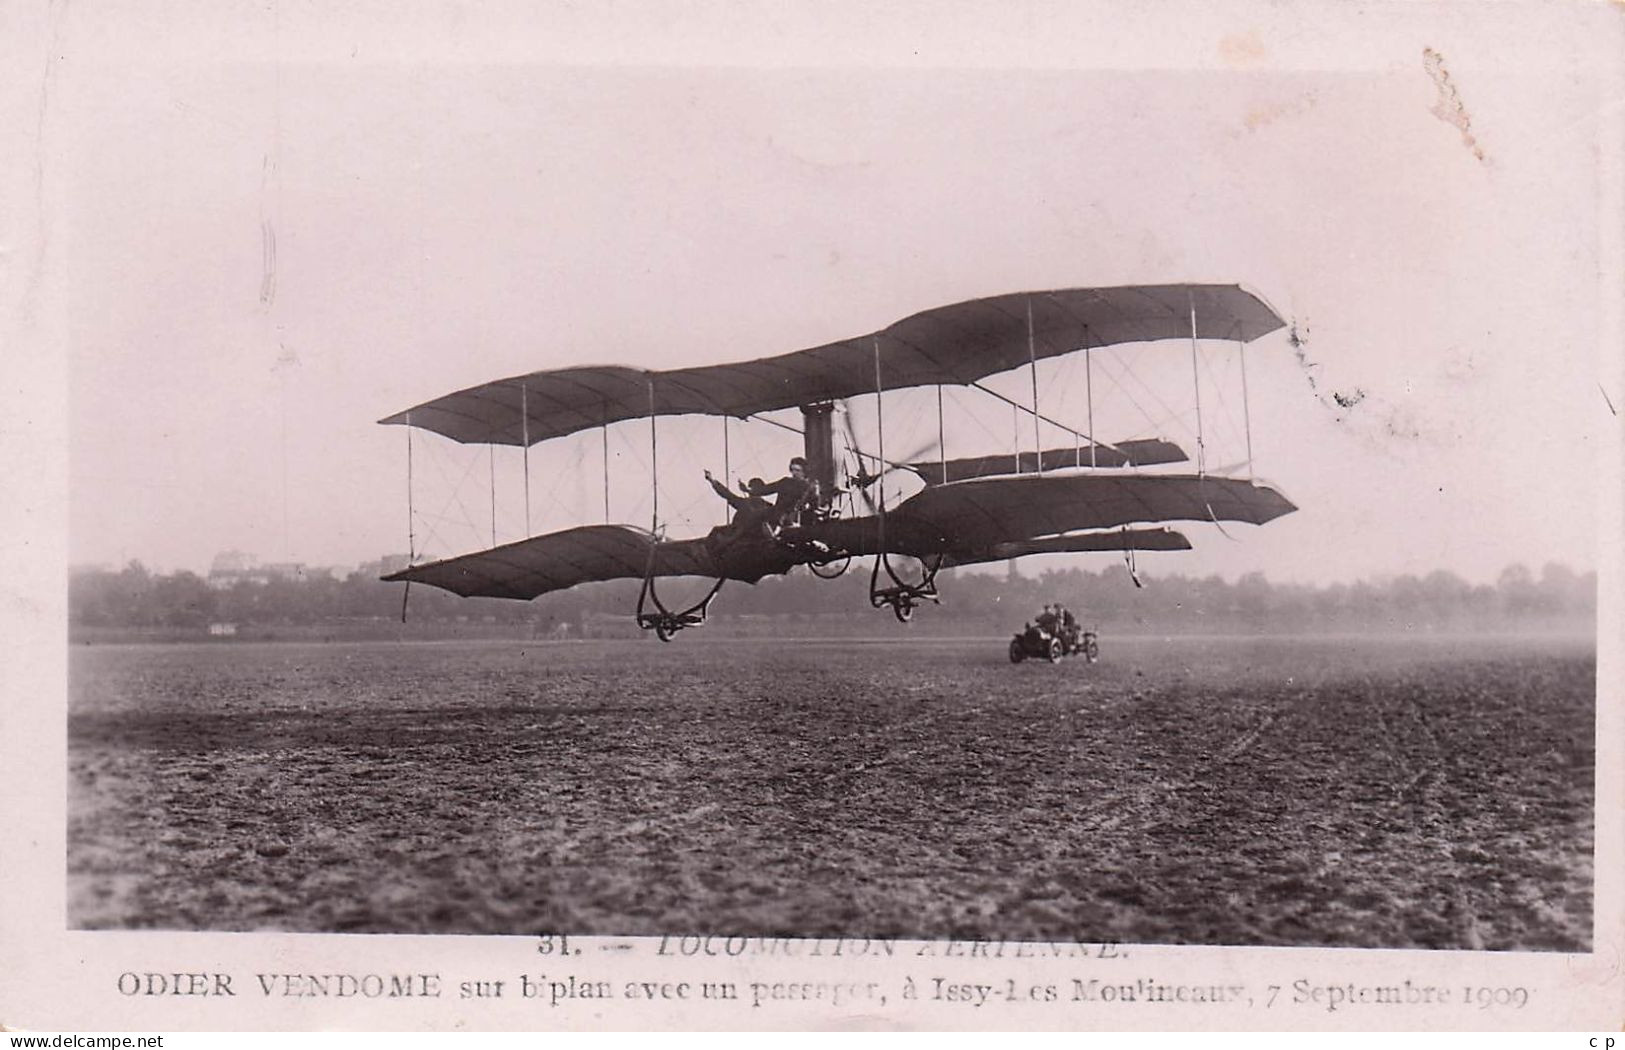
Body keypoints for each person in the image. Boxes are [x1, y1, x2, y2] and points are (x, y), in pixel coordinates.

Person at [705, 457, 819, 537]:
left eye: (797, 470)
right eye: (792, 470)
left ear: (804, 471)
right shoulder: (786, 482)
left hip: (791, 518)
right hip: (779, 516)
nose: (794, 473)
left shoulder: (809, 487)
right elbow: (767, 489)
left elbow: (814, 504)